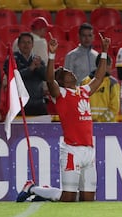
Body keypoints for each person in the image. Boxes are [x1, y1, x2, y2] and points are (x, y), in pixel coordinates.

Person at [16, 33, 111, 202]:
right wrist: (52, 54)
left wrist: (104, 51)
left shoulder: (83, 91)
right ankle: (33, 188)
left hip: (89, 151)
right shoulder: (61, 93)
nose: (71, 73)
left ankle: (42, 193)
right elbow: (50, 79)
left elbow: (99, 77)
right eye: (67, 72)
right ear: (62, 80)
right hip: (71, 151)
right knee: (68, 197)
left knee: (88, 199)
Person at [4, 32, 48, 116]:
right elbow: (13, 78)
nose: (26, 45)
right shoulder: (12, 59)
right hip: (19, 104)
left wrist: (40, 67)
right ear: (18, 45)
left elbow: (46, 77)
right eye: (23, 42)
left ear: (32, 45)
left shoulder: (37, 59)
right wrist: (30, 69)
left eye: (29, 42)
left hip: (38, 103)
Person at [82, 54, 120, 122]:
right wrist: (100, 121)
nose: (111, 67)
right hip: (107, 125)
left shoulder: (85, 81)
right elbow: (115, 108)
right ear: (105, 65)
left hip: (88, 123)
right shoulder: (113, 83)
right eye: (110, 65)